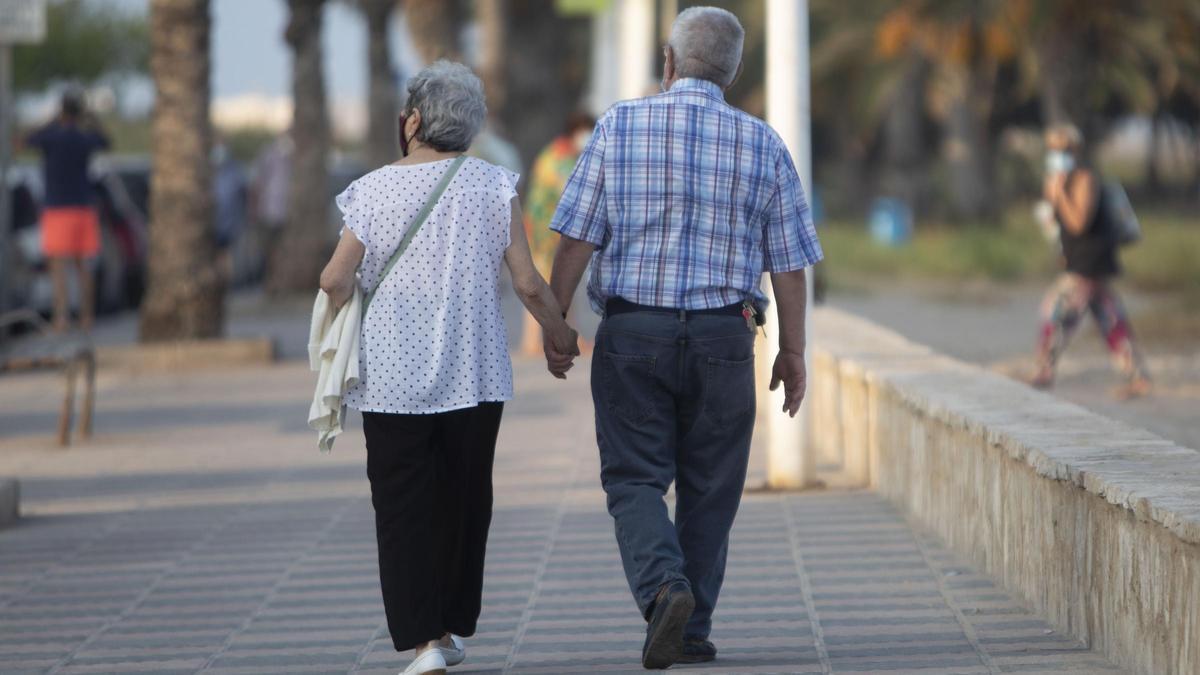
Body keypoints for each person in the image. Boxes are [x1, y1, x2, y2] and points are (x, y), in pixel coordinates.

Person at [545, 7, 823, 669]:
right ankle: (691, 623)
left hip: (634, 332)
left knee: (635, 478)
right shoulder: (764, 144)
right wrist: (792, 349)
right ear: (731, 72)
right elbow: (788, 261)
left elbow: (577, 234)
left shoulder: (618, 125)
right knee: (712, 483)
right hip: (725, 336)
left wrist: (557, 321)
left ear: (667, 63)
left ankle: (665, 588)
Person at [317, 61, 578, 675]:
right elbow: (527, 284)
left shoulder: (373, 189)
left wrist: (347, 304)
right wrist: (562, 337)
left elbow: (333, 278)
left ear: (412, 120)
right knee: (464, 499)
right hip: (474, 373)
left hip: (390, 381)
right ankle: (451, 624)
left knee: (403, 506)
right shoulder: (492, 185)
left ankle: (425, 641)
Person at [1031, 124, 1150, 399]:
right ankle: (1137, 376)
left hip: (1090, 261)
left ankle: (1043, 371)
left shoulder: (1085, 179)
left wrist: (1059, 192)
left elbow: (1078, 222)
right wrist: (1053, 195)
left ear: (1075, 150)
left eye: (1062, 149)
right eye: (1052, 148)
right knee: (1109, 316)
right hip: (1079, 259)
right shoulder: (1058, 179)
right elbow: (1056, 226)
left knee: (1054, 311)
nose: (1056, 154)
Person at [23, 90, 110, 332]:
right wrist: (91, 119)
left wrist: (51, 119)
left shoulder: (51, 137)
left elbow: (26, 139)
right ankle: (86, 316)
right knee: (84, 268)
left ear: (61, 111)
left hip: (57, 209)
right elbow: (105, 141)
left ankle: (61, 317)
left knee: (58, 269)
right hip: (83, 208)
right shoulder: (84, 138)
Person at [519, 111, 596, 354]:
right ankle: (532, 341)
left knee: (556, 281)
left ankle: (566, 335)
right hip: (548, 231)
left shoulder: (556, 152)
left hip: (545, 228)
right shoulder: (562, 157)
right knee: (542, 284)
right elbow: (572, 192)